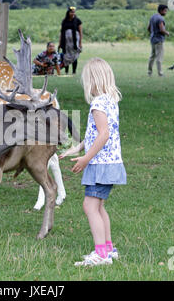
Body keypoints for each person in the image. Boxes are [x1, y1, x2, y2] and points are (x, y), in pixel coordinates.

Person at [59, 58, 127, 266]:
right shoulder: (110, 101)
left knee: (90, 206)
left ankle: (101, 255)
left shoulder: (98, 104)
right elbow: (95, 134)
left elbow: (104, 134)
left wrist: (86, 159)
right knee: (98, 207)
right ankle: (108, 249)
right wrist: (77, 148)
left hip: (100, 164)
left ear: (93, 81)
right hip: (111, 162)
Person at [59, 6, 82, 75]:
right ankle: (66, 72)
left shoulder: (78, 21)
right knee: (66, 56)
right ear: (68, 13)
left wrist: (80, 42)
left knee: (74, 56)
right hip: (66, 42)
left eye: (74, 12)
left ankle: (74, 71)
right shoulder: (64, 21)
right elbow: (61, 32)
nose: (73, 13)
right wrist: (60, 42)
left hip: (74, 42)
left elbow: (80, 32)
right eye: (71, 12)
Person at [147, 4, 170, 77]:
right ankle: (160, 73)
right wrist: (167, 33)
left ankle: (149, 72)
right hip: (159, 40)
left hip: (152, 39)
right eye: (165, 11)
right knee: (159, 57)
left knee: (152, 56)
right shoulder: (160, 19)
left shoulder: (152, 17)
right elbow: (162, 30)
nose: (166, 12)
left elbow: (148, 28)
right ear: (161, 10)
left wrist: (153, 33)